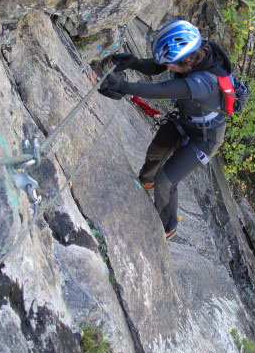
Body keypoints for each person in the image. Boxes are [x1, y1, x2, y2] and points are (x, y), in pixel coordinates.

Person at [99, 20, 233, 239]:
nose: (168, 67)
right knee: (156, 151)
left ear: (187, 60)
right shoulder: (191, 55)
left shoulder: (203, 82)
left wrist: (123, 87)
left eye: (172, 65)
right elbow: (157, 66)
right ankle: (146, 181)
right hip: (186, 120)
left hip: (205, 138)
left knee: (166, 181)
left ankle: (166, 227)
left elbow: (162, 89)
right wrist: (132, 63)